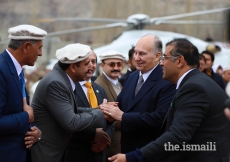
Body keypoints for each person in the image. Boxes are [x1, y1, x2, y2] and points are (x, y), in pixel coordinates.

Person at [108, 38, 230, 162]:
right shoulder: (195, 82)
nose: (161, 63)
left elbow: (177, 136)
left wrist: (132, 157)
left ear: (179, 61)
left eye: (165, 58)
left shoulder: (193, 88)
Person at [99, 34, 176, 155]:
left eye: (142, 54)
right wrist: (106, 109)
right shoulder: (132, 77)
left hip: (150, 152)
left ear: (157, 56)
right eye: (135, 53)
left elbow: (161, 118)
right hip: (127, 150)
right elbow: (119, 105)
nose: (136, 58)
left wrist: (123, 116)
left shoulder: (167, 80)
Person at [31, 43, 106, 162]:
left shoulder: (63, 79)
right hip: (48, 154)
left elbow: (72, 110)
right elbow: (71, 122)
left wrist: (99, 109)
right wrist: (101, 114)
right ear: (72, 67)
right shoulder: (55, 83)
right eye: (86, 64)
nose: (91, 67)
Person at [0, 24, 46, 162]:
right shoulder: (1, 70)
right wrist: (26, 117)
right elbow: (25, 114)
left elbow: (19, 110)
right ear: (26, 47)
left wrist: (35, 131)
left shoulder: (17, 70)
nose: (40, 53)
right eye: (39, 48)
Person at [63, 49, 113, 162]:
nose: (91, 66)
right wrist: (94, 135)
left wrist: (104, 140)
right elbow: (68, 120)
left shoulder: (100, 89)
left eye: (94, 62)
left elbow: (110, 120)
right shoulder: (68, 88)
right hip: (76, 154)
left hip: (99, 155)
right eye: (87, 62)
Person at [95, 50, 125, 159]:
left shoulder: (118, 83)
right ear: (102, 66)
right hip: (111, 144)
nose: (116, 67)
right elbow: (102, 117)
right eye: (112, 64)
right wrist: (130, 119)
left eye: (119, 64)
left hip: (119, 142)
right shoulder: (99, 86)